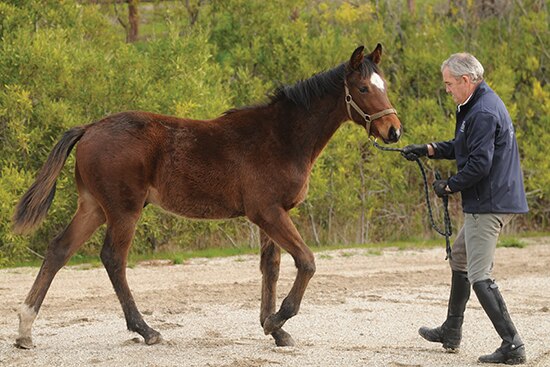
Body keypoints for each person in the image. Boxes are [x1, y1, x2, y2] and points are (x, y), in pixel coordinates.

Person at [402, 53, 529, 365]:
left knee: (479, 274)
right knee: (460, 257)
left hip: (489, 202)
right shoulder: (476, 106)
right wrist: (428, 150)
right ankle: (451, 330)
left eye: (449, 83)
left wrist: (449, 185)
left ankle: (512, 345)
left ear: (465, 80)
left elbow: (480, 164)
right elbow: (464, 147)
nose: (447, 89)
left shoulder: (483, 112)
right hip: (489, 198)